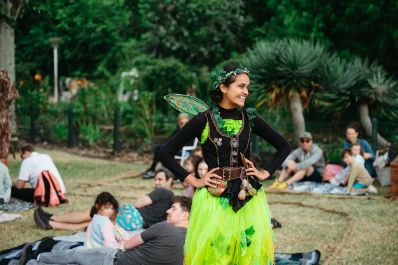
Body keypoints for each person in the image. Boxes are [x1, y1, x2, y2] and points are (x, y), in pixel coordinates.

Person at [159, 64, 291, 264]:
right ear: (223, 87)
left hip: (248, 197)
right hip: (214, 199)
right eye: (241, 86)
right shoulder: (203, 120)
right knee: (218, 253)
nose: (246, 91)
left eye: (247, 87)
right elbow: (165, 152)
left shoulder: (250, 118)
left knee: (246, 252)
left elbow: (283, 146)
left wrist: (265, 172)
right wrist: (193, 180)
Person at [24, 196, 191, 265]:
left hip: (114, 259)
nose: (168, 211)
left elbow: (126, 245)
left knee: (75, 255)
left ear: (185, 215)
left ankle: (36, 258)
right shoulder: (192, 242)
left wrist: (121, 237)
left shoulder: (163, 227)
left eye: (173, 209)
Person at [34, 169, 174, 231]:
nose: (156, 182)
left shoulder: (163, 192)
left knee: (92, 213)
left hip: (132, 216)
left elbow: (138, 203)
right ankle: (51, 224)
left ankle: (52, 217)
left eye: (160, 179)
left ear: (170, 180)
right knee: (93, 222)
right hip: (136, 225)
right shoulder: (173, 201)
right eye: (155, 179)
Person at [142, 113, 190, 179]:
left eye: (186, 123)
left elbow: (190, 145)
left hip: (184, 151)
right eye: (181, 123)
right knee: (159, 147)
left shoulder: (191, 131)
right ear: (178, 123)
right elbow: (169, 140)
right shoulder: (177, 131)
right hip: (175, 149)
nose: (184, 125)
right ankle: (154, 169)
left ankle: (153, 169)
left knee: (161, 148)